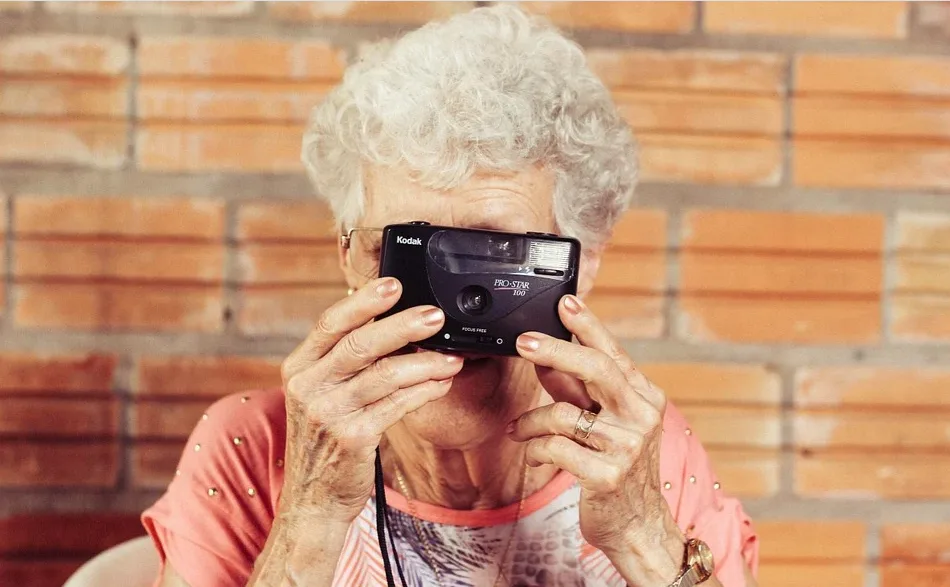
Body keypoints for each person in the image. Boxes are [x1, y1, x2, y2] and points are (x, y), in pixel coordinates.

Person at [142, 6, 759, 587]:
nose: (447, 312)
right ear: (350, 258)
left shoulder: (637, 453)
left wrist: (641, 534)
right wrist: (312, 513)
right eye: (407, 252)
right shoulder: (254, 447)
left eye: (494, 257)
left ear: (582, 262)